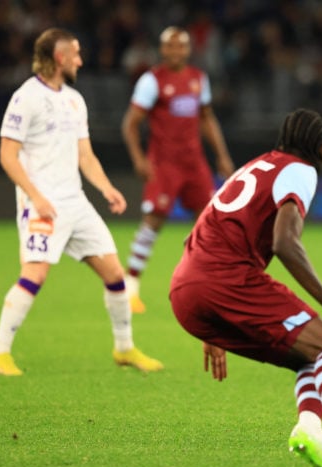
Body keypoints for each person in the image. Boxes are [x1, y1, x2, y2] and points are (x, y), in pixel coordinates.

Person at [169, 109, 322, 467]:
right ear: (321, 146)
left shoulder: (254, 166)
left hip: (186, 287)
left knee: (307, 357)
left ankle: (310, 431)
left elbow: (207, 224)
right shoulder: (300, 169)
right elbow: (285, 242)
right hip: (226, 280)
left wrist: (209, 315)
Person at [0, 28, 163, 376]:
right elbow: (8, 155)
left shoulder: (74, 100)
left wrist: (107, 189)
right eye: (76, 54)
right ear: (60, 57)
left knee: (114, 273)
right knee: (34, 274)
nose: (81, 60)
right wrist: (36, 197)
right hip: (42, 204)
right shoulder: (26, 98)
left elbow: (85, 155)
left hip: (75, 202)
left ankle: (124, 349)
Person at [121, 26, 235, 314]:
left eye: (181, 46)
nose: (176, 51)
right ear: (162, 49)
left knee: (209, 221)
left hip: (194, 161)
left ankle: (209, 283)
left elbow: (207, 118)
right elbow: (131, 123)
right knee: (154, 219)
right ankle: (130, 284)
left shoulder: (198, 79)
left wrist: (221, 155)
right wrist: (138, 158)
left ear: (188, 49)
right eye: (170, 46)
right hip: (164, 162)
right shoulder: (152, 81)